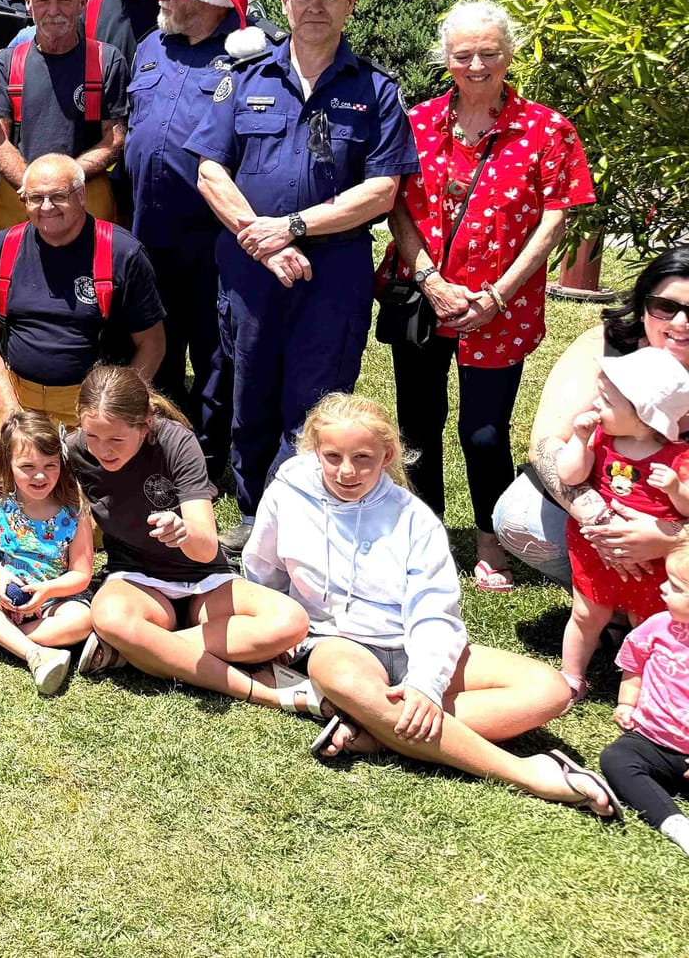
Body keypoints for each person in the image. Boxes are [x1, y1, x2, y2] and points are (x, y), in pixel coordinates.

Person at [241, 394, 618, 817]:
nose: (347, 471)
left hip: (409, 643)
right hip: (334, 641)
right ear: (315, 451)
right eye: (333, 456)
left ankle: (374, 728)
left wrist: (425, 683)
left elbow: (433, 611)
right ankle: (525, 772)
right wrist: (271, 632)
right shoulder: (289, 487)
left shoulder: (415, 519)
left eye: (363, 457)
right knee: (345, 677)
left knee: (549, 690)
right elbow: (263, 566)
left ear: (388, 455)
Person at [190, 0, 418, 542]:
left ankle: (301, 514)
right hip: (250, 266)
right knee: (251, 383)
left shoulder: (375, 90)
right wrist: (263, 243)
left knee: (318, 394)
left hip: (333, 270)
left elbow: (382, 189)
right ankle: (250, 512)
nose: (315, 8)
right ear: (286, 4)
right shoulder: (243, 79)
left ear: (350, 5)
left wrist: (293, 228)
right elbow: (211, 173)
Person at [382, 0, 595, 590]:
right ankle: (423, 534)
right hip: (426, 295)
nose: (476, 65)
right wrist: (430, 280)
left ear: (508, 55)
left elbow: (556, 219)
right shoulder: (417, 121)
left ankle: (490, 536)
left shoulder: (547, 129)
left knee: (483, 431)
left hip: (503, 305)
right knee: (418, 424)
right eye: (463, 54)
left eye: (489, 53)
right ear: (445, 59)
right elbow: (394, 204)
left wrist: (498, 295)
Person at [73, 366, 318, 714]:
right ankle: (260, 691)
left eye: (116, 440)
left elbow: (205, 547)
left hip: (204, 580)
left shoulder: (176, 442)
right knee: (109, 616)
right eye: (92, 436)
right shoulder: (75, 452)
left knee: (291, 621)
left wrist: (183, 533)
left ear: (145, 426)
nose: (102, 450)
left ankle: (140, 650)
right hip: (136, 582)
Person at [124, 0, 267, 457]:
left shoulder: (252, 55)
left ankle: (206, 452)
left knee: (215, 351)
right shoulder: (151, 44)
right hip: (148, 233)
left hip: (212, 240)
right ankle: (154, 440)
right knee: (151, 341)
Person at [495, 247, 689, 583]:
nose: (681, 323)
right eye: (666, 307)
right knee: (519, 516)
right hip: (609, 497)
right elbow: (547, 441)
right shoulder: (607, 346)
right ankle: (607, 599)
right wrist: (603, 522)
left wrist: (672, 537)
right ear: (644, 305)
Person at [0, 154, 164, 483]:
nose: (46, 207)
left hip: (90, 408)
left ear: (82, 196)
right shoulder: (2, 248)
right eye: (35, 198)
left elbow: (152, 344)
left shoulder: (122, 253)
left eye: (58, 196)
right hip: (19, 399)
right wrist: (6, 405)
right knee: (2, 504)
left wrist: (114, 412)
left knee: (84, 514)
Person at [552, 349, 689, 695]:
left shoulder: (678, 459)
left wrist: (675, 490)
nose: (597, 404)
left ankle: (638, 688)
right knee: (586, 615)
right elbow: (569, 476)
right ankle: (571, 676)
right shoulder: (601, 438)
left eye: (608, 401)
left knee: (645, 624)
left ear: (645, 417)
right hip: (596, 552)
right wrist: (580, 440)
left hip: (652, 562)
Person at [0, 409, 95, 693]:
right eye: (27, 467)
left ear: (61, 463)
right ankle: (34, 652)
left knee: (83, 620)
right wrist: (1, 578)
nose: (40, 475)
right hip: (4, 594)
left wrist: (48, 591)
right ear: (8, 463)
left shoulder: (74, 509)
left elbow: (81, 573)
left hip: (54, 600)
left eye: (50, 466)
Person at [0, 0, 130, 231]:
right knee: (10, 268)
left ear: (82, 2)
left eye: (64, 0)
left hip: (85, 189)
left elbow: (114, 138)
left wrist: (67, 180)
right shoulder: (7, 62)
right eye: (43, 1)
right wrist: (33, 184)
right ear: (28, 4)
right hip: (20, 190)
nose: (53, 11)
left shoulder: (107, 60)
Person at [601, 546, 689, 852]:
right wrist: (627, 702)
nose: (664, 587)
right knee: (616, 759)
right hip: (652, 740)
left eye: (676, 587)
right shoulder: (657, 626)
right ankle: (675, 824)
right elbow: (634, 666)